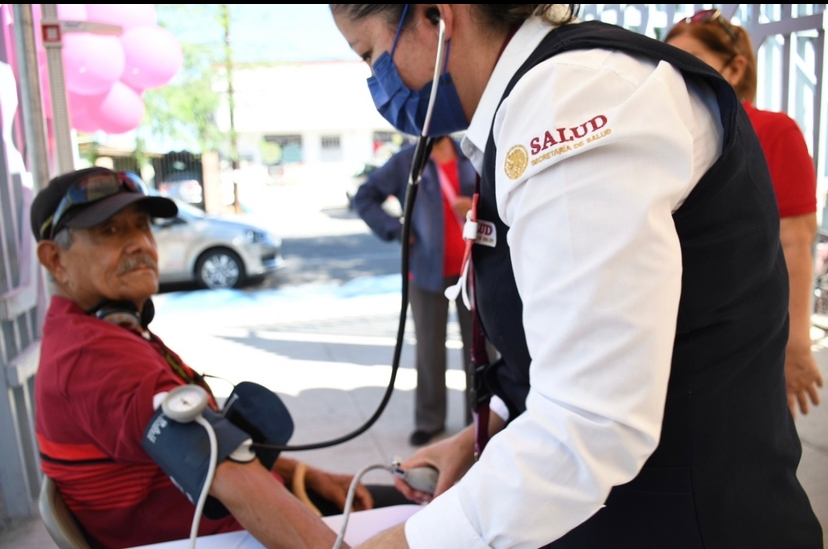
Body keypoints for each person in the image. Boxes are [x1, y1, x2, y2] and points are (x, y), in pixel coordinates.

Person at [330, 4, 823, 548]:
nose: (376, 81)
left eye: (370, 54)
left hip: (687, 525)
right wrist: (491, 421)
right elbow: (570, 327)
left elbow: (591, 423)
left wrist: (412, 543)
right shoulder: (536, 99)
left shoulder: (571, 100)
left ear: (435, 15)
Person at [30, 167, 404, 549]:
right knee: (428, 518)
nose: (140, 243)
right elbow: (226, 472)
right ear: (55, 260)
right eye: (110, 231)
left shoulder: (97, 331)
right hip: (225, 535)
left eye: (142, 226)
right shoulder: (96, 359)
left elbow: (216, 451)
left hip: (234, 520)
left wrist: (303, 474)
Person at [665, 8, 824, 418]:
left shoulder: (773, 132)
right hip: (675, 339)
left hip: (746, 342)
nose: (672, 81)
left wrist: (797, 348)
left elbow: (796, 243)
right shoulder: (667, 139)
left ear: (735, 68)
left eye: (689, 64)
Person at [353, 135, 476, 446]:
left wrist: (473, 206)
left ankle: (477, 420)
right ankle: (430, 420)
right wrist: (397, 229)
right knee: (429, 349)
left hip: (472, 269)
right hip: (424, 271)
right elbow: (365, 197)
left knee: (478, 351)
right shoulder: (407, 160)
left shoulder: (470, 152)